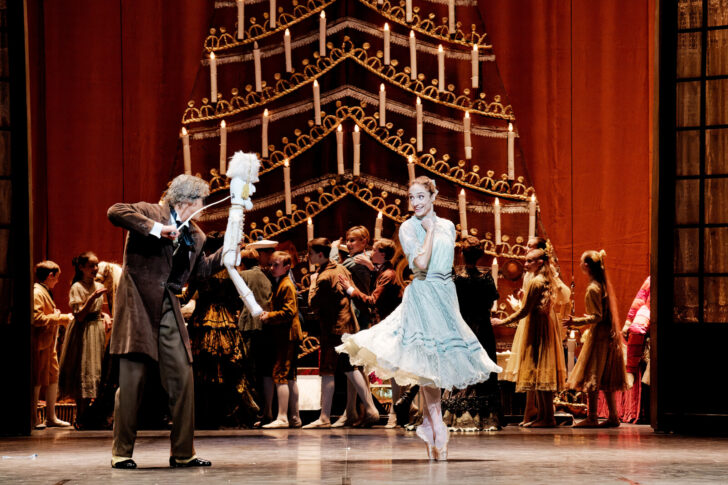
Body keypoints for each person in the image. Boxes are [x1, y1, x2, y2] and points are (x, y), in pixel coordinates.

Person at [337, 177, 502, 461]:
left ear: (433, 197)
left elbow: (445, 264)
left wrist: (435, 231)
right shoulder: (408, 227)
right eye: (411, 197)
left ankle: (430, 423)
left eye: (421, 197)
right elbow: (421, 263)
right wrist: (428, 232)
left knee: (440, 361)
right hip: (423, 292)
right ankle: (436, 425)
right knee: (427, 362)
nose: (415, 203)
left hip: (444, 293)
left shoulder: (448, 225)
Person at [107, 174, 223, 469]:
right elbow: (115, 211)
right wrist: (158, 229)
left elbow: (198, 272)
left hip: (169, 306)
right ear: (186, 199)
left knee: (183, 377)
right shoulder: (150, 212)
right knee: (131, 382)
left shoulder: (196, 235)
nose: (203, 206)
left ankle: (183, 453)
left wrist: (227, 253)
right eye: (200, 199)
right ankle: (122, 453)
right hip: (137, 306)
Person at [183, 233, 259, 429]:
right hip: (226, 322)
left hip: (203, 321)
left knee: (202, 369)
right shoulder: (229, 270)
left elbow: (186, 296)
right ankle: (228, 414)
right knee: (229, 369)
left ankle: (204, 415)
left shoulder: (200, 269)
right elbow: (236, 298)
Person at [302, 238, 379, 429]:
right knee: (348, 368)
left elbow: (313, 303)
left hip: (334, 328)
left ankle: (328, 416)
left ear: (320, 254)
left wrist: (312, 283)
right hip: (348, 324)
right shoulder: (341, 269)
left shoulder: (324, 277)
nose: (308, 257)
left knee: (331, 370)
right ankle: (363, 410)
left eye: (310, 253)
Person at [492, 248, 567, 428]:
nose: (525, 264)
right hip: (542, 325)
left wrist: (502, 321)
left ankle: (547, 417)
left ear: (540, 262)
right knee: (540, 372)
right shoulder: (546, 279)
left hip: (537, 328)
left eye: (529, 261)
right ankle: (544, 416)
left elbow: (525, 310)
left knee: (538, 369)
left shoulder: (536, 282)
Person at [338, 237, 403, 427]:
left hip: (390, 326)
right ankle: (404, 409)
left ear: (382, 254)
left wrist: (350, 290)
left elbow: (373, 300)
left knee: (393, 368)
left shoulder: (388, 274)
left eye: (374, 250)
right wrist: (372, 267)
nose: (370, 252)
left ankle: (395, 412)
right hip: (381, 324)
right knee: (383, 365)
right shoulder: (381, 271)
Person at [442, 236, 501, 430]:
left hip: (462, 327)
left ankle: (458, 414)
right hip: (482, 328)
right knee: (481, 368)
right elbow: (490, 302)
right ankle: (485, 416)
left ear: (461, 254)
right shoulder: (486, 278)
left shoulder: (456, 279)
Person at [564, 250, 629, 427]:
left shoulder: (593, 288)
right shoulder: (603, 285)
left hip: (599, 336)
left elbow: (597, 316)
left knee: (592, 374)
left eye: (581, 262)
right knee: (605, 375)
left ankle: (592, 417)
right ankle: (613, 416)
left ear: (586, 266)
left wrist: (576, 321)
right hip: (607, 334)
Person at [59, 252, 110, 429]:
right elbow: (79, 316)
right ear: (81, 267)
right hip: (82, 332)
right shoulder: (77, 287)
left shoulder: (99, 285)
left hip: (96, 330)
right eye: (91, 266)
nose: (95, 269)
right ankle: (80, 417)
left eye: (96, 265)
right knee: (84, 369)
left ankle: (90, 416)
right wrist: (92, 298)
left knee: (95, 371)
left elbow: (97, 311)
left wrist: (105, 315)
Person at [260, 251, 304, 428]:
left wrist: (269, 316)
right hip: (287, 334)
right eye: (271, 264)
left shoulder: (286, 285)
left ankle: (283, 417)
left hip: (287, 335)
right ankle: (294, 417)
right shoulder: (281, 283)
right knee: (290, 376)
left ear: (287, 267)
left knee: (280, 373)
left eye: (276, 265)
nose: (272, 268)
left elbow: (289, 312)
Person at [32, 261, 74, 429]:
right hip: (40, 344)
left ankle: (51, 416)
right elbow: (36, 318)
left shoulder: (44, 291)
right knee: (36, 380)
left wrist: (56, 315)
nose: (57, 281)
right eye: (57, 277)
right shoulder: (37, 292)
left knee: (53, 377)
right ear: (50, 276)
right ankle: (33, 418)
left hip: (48, 343)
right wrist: (61, 318)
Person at [237, 247, 273, 426]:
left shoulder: (242, 276)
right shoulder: (266, 276)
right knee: (263, 370)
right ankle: (266, 410)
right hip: (265, 325)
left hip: (249, 325)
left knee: (249, 370)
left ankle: (252, 411)